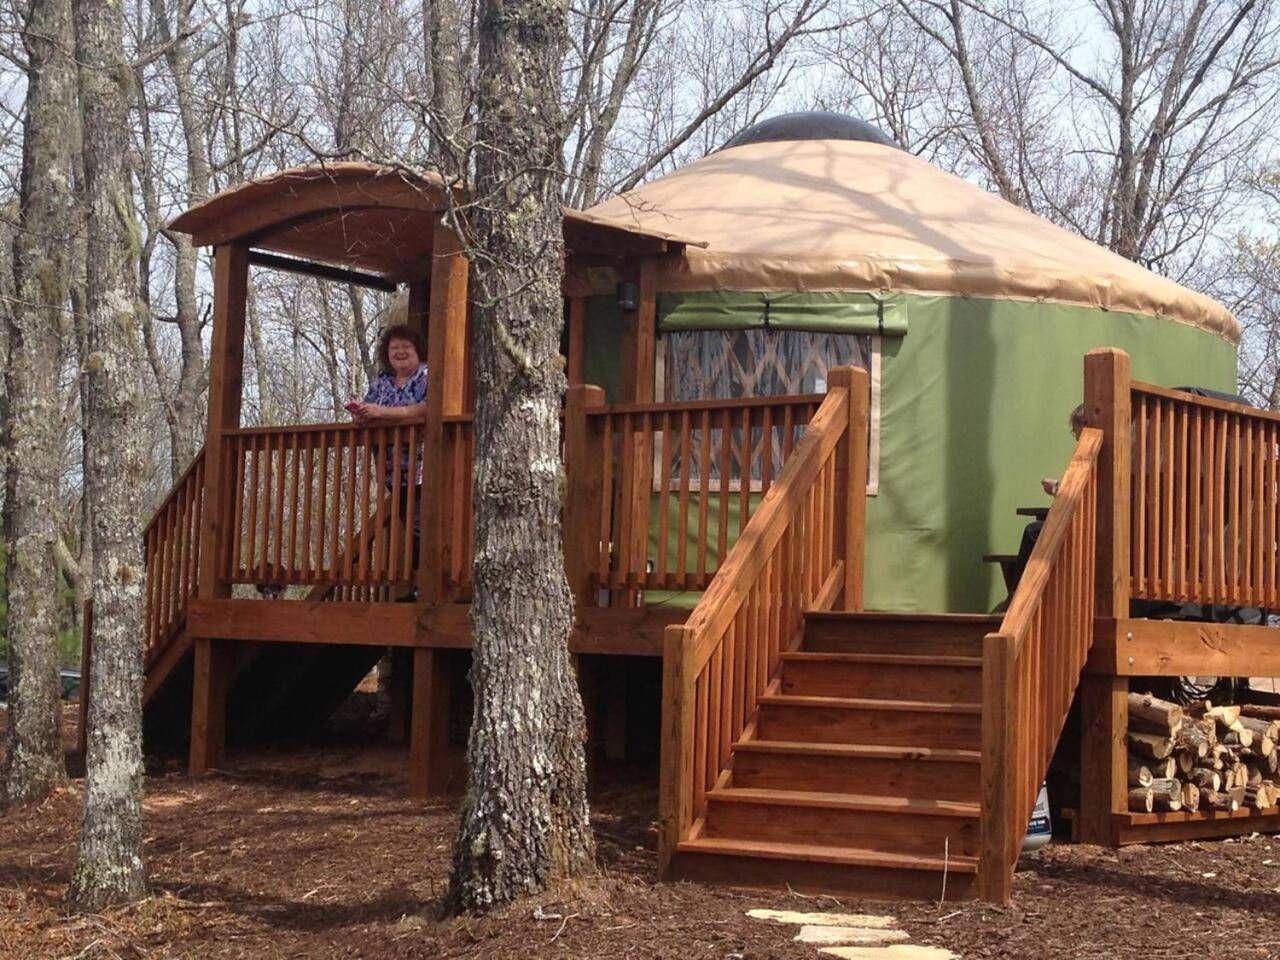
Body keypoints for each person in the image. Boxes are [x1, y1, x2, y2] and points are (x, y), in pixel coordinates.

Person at [348, 323, 429, 544]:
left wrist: (382, 411)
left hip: (421, 464)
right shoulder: (382, 382)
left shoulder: (426, 375)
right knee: (407, 516)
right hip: (390, 466)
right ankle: (417, 568)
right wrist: (362, 414)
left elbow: (427, 407)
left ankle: (423, 568)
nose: (400, 352)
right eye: (394, 347)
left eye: (406, 346)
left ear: (418, 350)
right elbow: (370, 405)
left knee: (420, 519)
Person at [1010, 404, 1086, 588]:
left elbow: (1084, 493)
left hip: (1088, 528)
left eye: (1077, 432)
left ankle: (1018, 592)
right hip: (1086, 522)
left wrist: (1057, 488)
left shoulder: (1092, 453)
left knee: (1033, 532)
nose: (1076, 438)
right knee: (1039, 529)